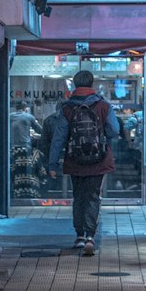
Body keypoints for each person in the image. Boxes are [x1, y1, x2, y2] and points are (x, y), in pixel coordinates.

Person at [47, 70, 119, 255]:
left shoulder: (66, 108)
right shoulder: (103, 105)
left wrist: (52, 164)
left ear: (75, 85)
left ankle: (79, 236)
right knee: (93, 197)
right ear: (92, 83)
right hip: (98, 160)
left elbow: (59, 138)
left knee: (78, 197)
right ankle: (90, 237)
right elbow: (113, 131)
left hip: (75, 161)